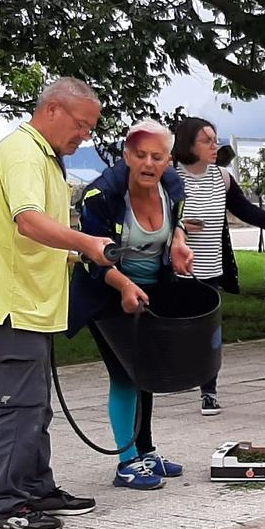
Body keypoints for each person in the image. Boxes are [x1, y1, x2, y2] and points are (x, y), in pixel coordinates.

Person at [0, 78, 113, 529]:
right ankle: (4, 505)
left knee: (35, 406)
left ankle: (35, 487)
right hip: (12, 304)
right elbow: (28, 222)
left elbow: (38, 233)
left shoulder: (46, 158)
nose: (85, 135)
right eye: (82, 124)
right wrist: (86, 242)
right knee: (21, 406)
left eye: (90, 127)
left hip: (33, 302)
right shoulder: (24, 154)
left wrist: (80, 255)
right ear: (52, 111)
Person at [69, 120, 196, 491]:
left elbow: (177, 223)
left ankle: (146, 450)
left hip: (152, 290)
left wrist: (179, 239)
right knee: (125, 373)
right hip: (106, 291)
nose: (148, 163)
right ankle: (126, 464)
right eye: (140, 155)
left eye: (157, 157)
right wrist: (123, 284)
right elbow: (93, 257)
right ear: (126, 155)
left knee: (148, 372)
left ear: (168, 160)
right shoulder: (102, 196)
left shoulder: (173, 185)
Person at [170, 116, 265, 416]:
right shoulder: (170, 178)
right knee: (174, 329)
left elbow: (246, 211)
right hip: (174, 270)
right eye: (206, 140)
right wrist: (178, 227)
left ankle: (209, 391)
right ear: (188, 145)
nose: (214, 145)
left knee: (209, 331)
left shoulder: (223, 177)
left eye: (215, 139)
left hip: (211, 269)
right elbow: (151, 218)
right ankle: (166, 376)